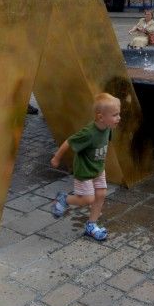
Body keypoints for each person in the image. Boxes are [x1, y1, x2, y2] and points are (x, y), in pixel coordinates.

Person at [50, 92, 121, 241]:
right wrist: (57, 157)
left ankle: (91, 225)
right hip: (84, 171)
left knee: (101, 194)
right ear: (101, 117)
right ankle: (64, 199)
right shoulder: (88, 133)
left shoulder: (108, 129)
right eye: (115, 115)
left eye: (118, 114)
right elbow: (70, 141)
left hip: (98, 169)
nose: (118, 118)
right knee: (88, 199)